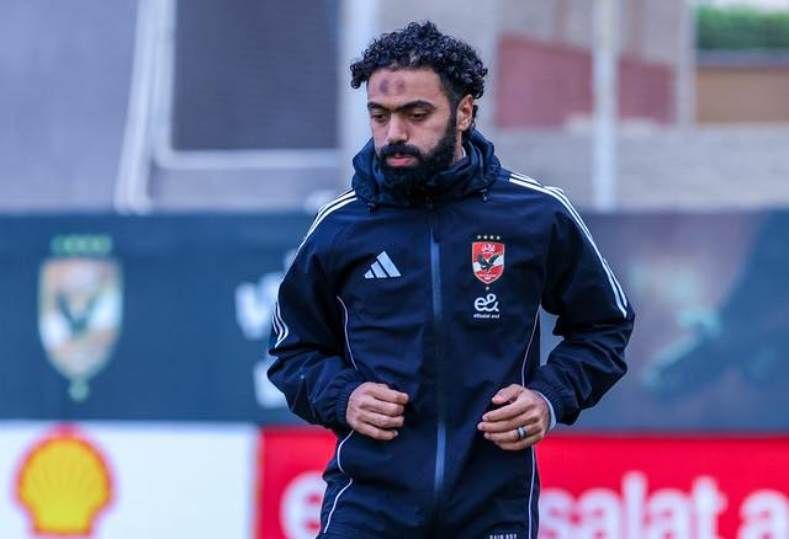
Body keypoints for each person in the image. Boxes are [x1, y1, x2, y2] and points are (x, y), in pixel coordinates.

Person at [269, 21, 634, 539]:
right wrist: (342, 394)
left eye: (416, 114)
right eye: (380, 115)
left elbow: (604, 326)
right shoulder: (340, 226)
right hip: (369, 505)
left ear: (464, 112)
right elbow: (293, 350)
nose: (394, 133)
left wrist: (549, 397)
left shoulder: (536, 214)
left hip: (493, 507)